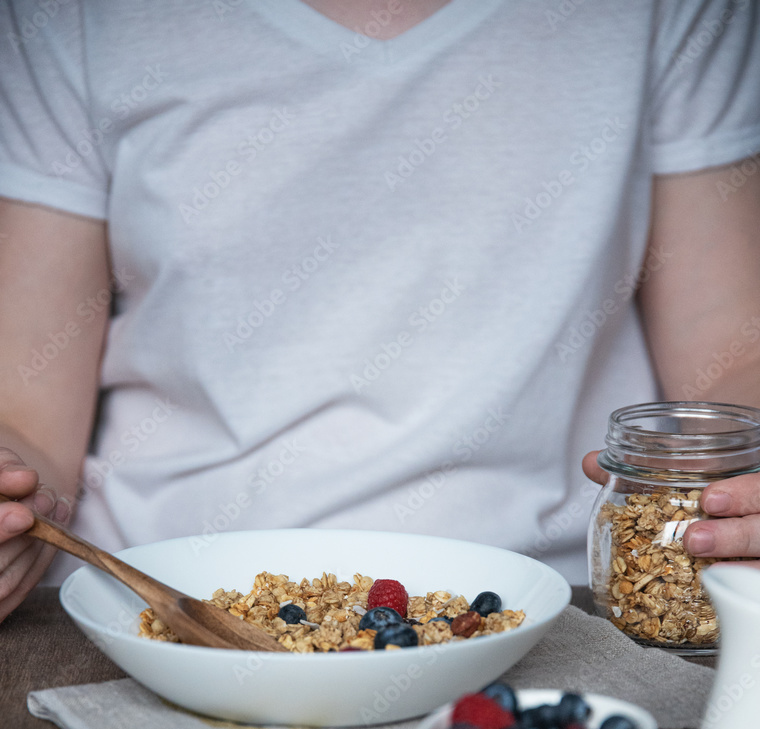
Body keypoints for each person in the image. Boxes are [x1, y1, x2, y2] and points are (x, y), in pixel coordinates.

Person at [1, 0, 760, 626]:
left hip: (574, 610)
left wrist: (743, 495)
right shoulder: (70, 18)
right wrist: (12, 488)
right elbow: (25, 406)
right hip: (153, 604)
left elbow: (730, 356)